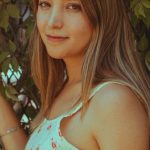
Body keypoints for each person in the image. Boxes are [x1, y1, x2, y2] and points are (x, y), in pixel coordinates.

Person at [0, 0, 150, 149]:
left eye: (73, 7)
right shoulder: (64, 87)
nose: (53, 22)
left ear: (102, 14)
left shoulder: (113, 102)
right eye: (45, 4)